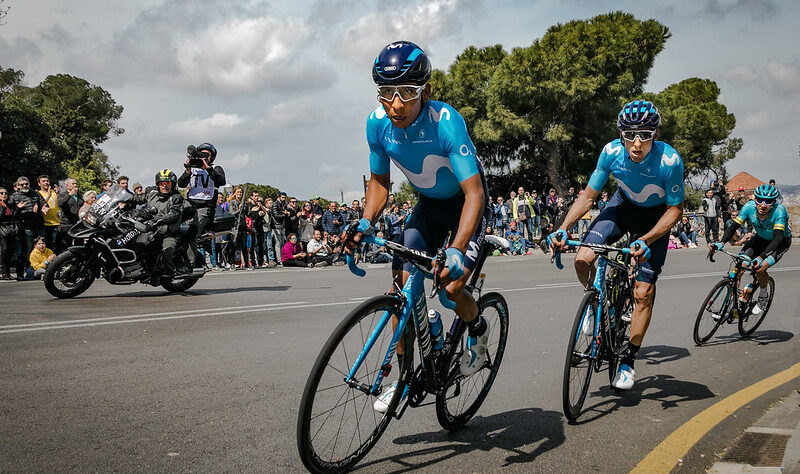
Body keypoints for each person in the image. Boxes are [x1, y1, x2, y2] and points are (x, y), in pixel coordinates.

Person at [351, 41, 492, 414]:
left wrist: (458, 248)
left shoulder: (446, 122)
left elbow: (474, 195)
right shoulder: (377, 124)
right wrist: (365, 221)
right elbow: (380, 183)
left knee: (450, 288)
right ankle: (403, 373)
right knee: (402, 293)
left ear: (425, 92)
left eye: (407, 93)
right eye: (386, 93)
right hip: (428, 208)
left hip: (466, 207)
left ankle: (477, 333)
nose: (396, 104)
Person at [548, 100, 684, 390]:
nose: (637, 144)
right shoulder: (611, 152)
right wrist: (562, 228)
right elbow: (588, 197)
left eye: (645, 135)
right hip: (622, 206)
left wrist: (646, 239)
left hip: (655, 219)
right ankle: (598, 306)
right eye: (630, 135)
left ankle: (628, 360)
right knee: (582, 258)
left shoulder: (669, 161)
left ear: (655, 135)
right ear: (620, 134)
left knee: (643, 292)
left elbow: (675, 210)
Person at [710, 184, 791, 315]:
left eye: (769, 201)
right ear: (755, 199)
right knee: (740, 266)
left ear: (774, 202)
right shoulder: (749, 207)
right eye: (760, 200)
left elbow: (777, 239)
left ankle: (763, 296)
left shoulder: (779, 211)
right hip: (760, 238)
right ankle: (732, 303)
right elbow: (733, 227)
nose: (763, 205)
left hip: (779, 242)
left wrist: (761, 257)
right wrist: (721, 243)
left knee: (760, 268)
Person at [177, 143, 227, 266]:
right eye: (201, 155)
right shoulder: (193, 168)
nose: (204, 158)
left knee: (191, 233)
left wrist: (208, 168)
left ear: (212, 157)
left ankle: (190, 263)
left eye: (207, 155)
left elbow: (221, 181)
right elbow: (181, 184)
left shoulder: (216, 168)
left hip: (205, 207)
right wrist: (187, 171)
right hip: (189, 205)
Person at [129, 170, 185, 276]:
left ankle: (159, 272)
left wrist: (158, 221)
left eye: (167, 183)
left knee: (167, 250)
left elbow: (173, 214)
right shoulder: (152, 193)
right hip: (152, 230)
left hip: (169, 232)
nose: (164, 186)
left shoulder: (176, 198)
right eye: (161, 183)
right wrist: (123, 198)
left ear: (172, 184)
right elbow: (137, 198)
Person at [8, 176, 47, 280]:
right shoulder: (14, 197)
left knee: (43, 248)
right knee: (29, 250)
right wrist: (20, 209)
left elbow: (45, 204)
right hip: (26, 227)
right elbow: (12, 214)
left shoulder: (35, 194)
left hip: (39, 225)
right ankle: (30, 271)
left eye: (26, 184)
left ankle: (41, 270)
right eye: (22, 184)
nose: (25, 186)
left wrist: (42, 209)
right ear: (17, 186)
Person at [57, 177, 83, 253]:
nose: (75, 185)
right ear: (67, 186)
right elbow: (60, 203)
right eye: (73, 183)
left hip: (77, 224)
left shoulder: (80, 196)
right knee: (65, 246)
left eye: (76, 183)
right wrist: (69, 195)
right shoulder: (62, 195)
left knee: (78, 244)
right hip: (66, 224)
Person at [37, 175, 60, 251]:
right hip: (46, 223)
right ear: (39, 184)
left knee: (58, 244)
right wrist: (48, 195)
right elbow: (41, 204)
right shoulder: (38, 193)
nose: (46, 183)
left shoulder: (54, 192)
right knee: (48, 245)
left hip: (57, 222)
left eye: (47, 181)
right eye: (43, 181)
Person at [0, 187, 16, 279]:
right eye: (1, 193)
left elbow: (14, 216)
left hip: (10, 229)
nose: (4, 195)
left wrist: (18, 208)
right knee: (5, 249)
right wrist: (2, 208)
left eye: (5, 193)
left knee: (10, 251)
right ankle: (3, 272)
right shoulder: (2, 205)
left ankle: (7, 273)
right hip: (2, 229)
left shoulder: (9, 204)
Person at [270, 192, 290, 263]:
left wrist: (286, 214)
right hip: (276, 225)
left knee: (282, 243)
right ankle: (279, 260)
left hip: (282, 225)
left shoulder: (284, 204)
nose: (283, 199)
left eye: (284, 197)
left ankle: (282, 258)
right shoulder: (275, 204)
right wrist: (284, 214)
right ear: (279, 197)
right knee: (278, 243)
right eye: (282, 197)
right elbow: (275, 215)